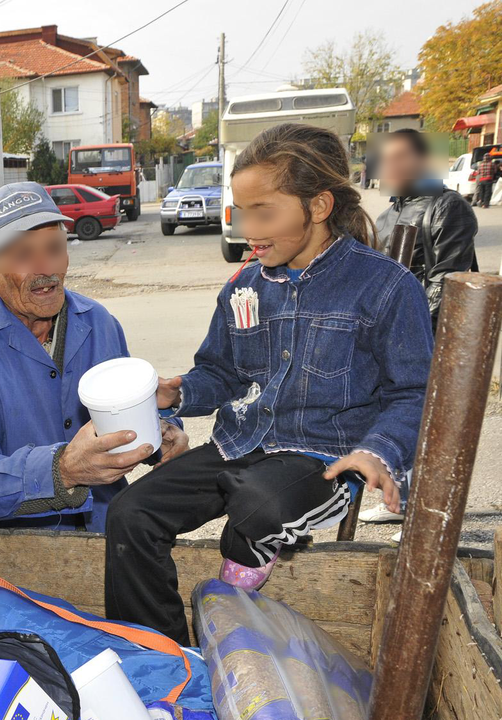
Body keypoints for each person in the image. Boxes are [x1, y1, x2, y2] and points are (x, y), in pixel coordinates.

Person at [104, 123, 433, 646]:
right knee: (130, 513)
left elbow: (416, 392)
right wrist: (179, 392)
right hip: (242, 443)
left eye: (265, 211)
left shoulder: (387, 287)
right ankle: (159, 654)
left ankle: (230, 623)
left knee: (258, 508)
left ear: (318, 206)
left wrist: (378, 451)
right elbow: (223, 372)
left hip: (325, 459)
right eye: (240, 210)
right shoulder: (242, 286)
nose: (247, 228)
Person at [0, 182, 187, 535]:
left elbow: (121, 422)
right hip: (5, 548)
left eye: (55, 248)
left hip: (104, 529)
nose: (46, 268)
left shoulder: (99, 322)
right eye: (23, 255)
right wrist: (64, 470)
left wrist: (160, 430)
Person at [374, 128, 479, 330]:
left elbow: (446, 283)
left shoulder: (447, 205)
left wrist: (413, 335)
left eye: (400, 157)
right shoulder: (386, 215)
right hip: (387, 328)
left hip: (421, 332)